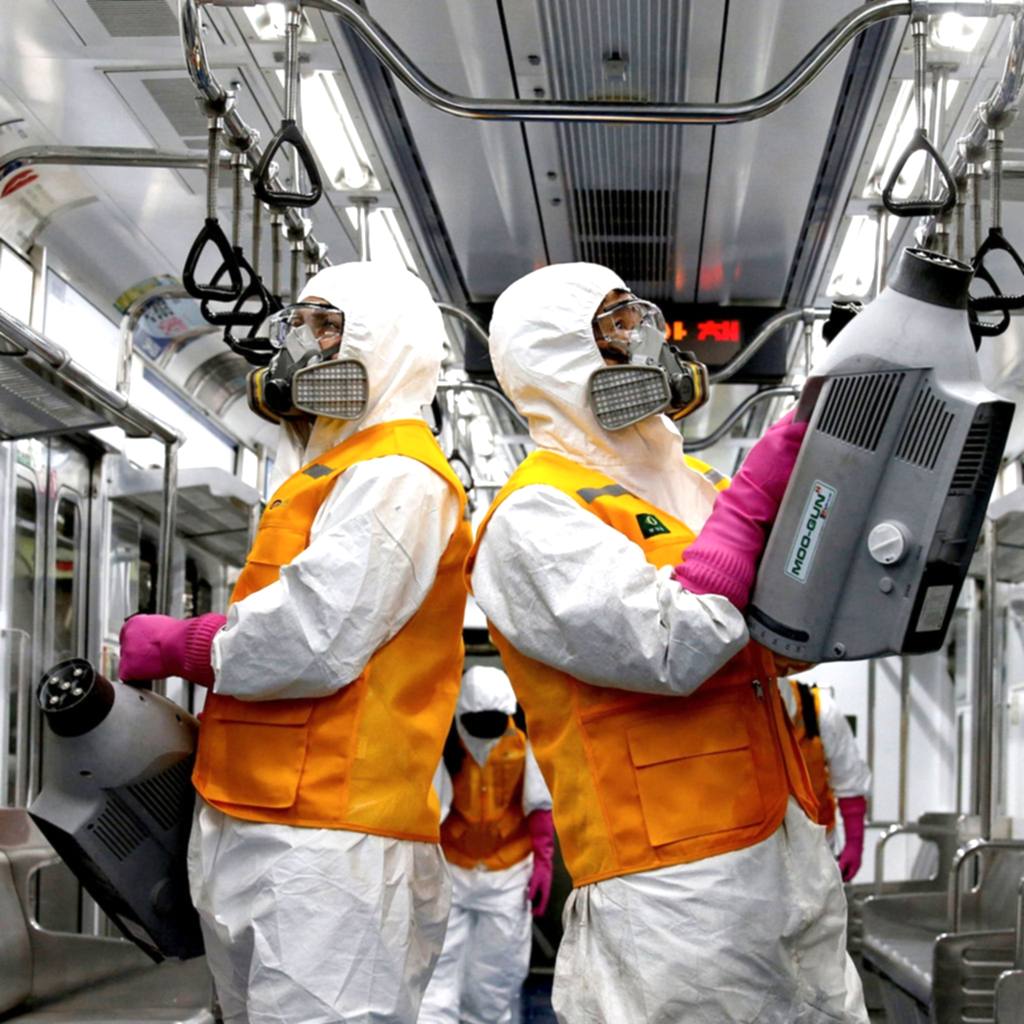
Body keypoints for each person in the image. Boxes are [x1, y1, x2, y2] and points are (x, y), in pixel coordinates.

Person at [465, 262, 868, 1023]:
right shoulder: (531, 517)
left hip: (788, 845)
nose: (646, 340)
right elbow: (675, 645)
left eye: (639, 318)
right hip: (673, 884)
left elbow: (782, 640)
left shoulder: (693, 485)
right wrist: (759, 493)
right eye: (616, 325)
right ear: (557, 357)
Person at [117, 261, 472, 1024]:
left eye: (329, 327)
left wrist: (187, 644)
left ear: (389, 342)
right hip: (259, 815)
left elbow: (315, 636)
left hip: (332, 841)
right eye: (301, 327)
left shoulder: (400, 474)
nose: (306, 347)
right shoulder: (327, 471)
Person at [419, 665, 553, 1024]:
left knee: (496, 971)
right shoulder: (443, 745)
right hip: (451, 873)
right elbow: (428, 811)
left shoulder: (523, 743)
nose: (485, 728)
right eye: (477, 721)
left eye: (493, 720)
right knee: (435, 969)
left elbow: (539, 804)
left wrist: (544, 861)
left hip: (508, 875)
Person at [781, 678, 871, 881]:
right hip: (758, 847)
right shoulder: (736, 711)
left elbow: (849, 780)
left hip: (816, 843)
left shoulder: (820, 709)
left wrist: (854, 843)